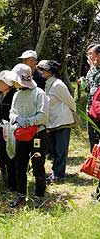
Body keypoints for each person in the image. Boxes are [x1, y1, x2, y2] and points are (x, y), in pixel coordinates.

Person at [9, 63, 48, 208]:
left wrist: (29, 122)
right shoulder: (16, 94)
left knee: (38, 165)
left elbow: (43, 116)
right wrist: (18, 120)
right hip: (21, 135)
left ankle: (39, 195)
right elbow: (12, 113)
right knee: (20, 164)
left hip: (38, 134)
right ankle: (20, 194)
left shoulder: (39, 93)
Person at [37, 60, 76, 182]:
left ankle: (59, 174)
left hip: (62, 121)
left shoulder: (58, 84)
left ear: (51, 72)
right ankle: (56, 172)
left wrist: (71, 114)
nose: (41, 72)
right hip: (53, 121)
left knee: (61, 149)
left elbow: (70, 101)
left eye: (44, 69)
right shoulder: (48, 83)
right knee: (54, 149)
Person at [78, 43, 100, 201]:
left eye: (91, 53)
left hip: (98, 114)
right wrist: (82, 83)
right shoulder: (92, 70)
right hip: (91, 112)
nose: (89, 56)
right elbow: (88, 88)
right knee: (94, 146)